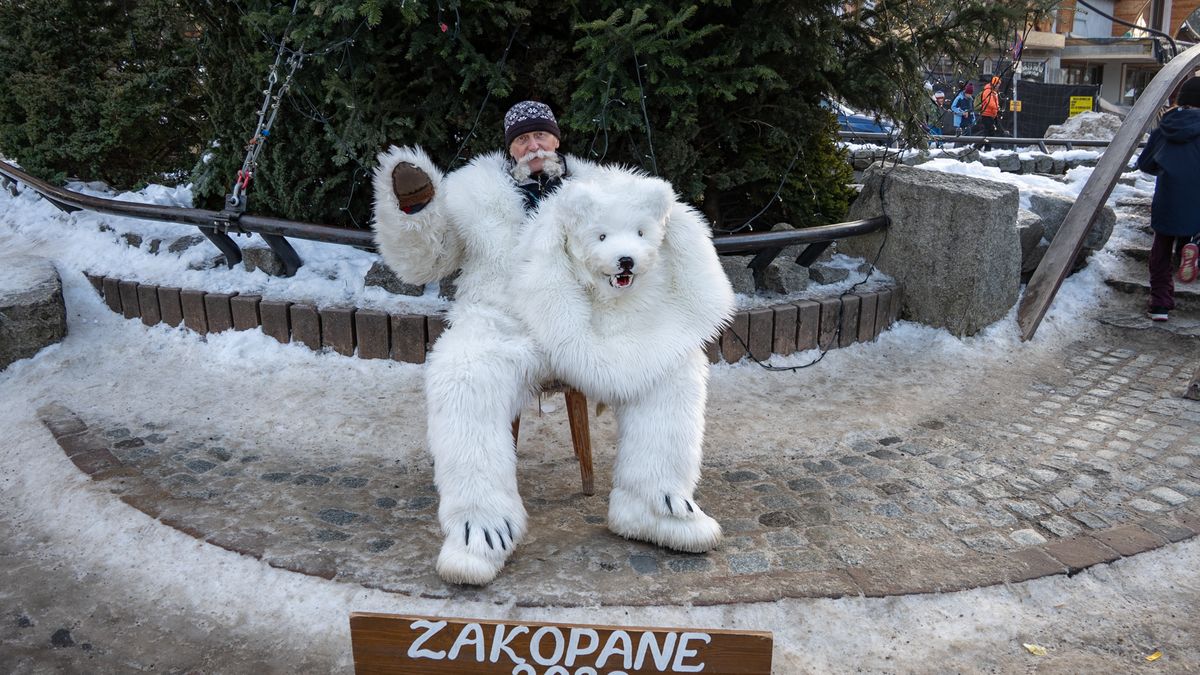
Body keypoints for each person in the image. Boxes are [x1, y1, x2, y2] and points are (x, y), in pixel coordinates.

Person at [370, 101, 731, 584]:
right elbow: (424, 264)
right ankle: (482, 523)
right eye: (522, 139)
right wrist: (415, 212)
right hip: (501, 318)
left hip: (589, 320)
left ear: (557, 139)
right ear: (509, 146)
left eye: (541, 136)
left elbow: (648, 235)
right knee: (462, 373)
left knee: (675, 363)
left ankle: (652, 501)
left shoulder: (600, 185)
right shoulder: (469, 190)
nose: (533, 145)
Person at [1135, 77, 1200, 321]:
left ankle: (1159, 304)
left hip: (1168, 195)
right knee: (1192, 235)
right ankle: (1194, 250)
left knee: (1160, 251)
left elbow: (1145, 163)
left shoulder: (1165, 126)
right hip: (1197, 198)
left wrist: (1166, 168)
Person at [978, 76, 1002, 150]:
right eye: (998, 84)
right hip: (987, 115)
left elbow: (995, 102)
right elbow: (990, 103)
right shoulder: (988, 91)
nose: (998, 86)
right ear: (994, 83)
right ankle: (978, 147)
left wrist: (997, 108)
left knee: (989, 133)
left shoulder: (993, 92)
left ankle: (983, 148)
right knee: (988, 133)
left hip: (991, 115)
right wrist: (997, 108)